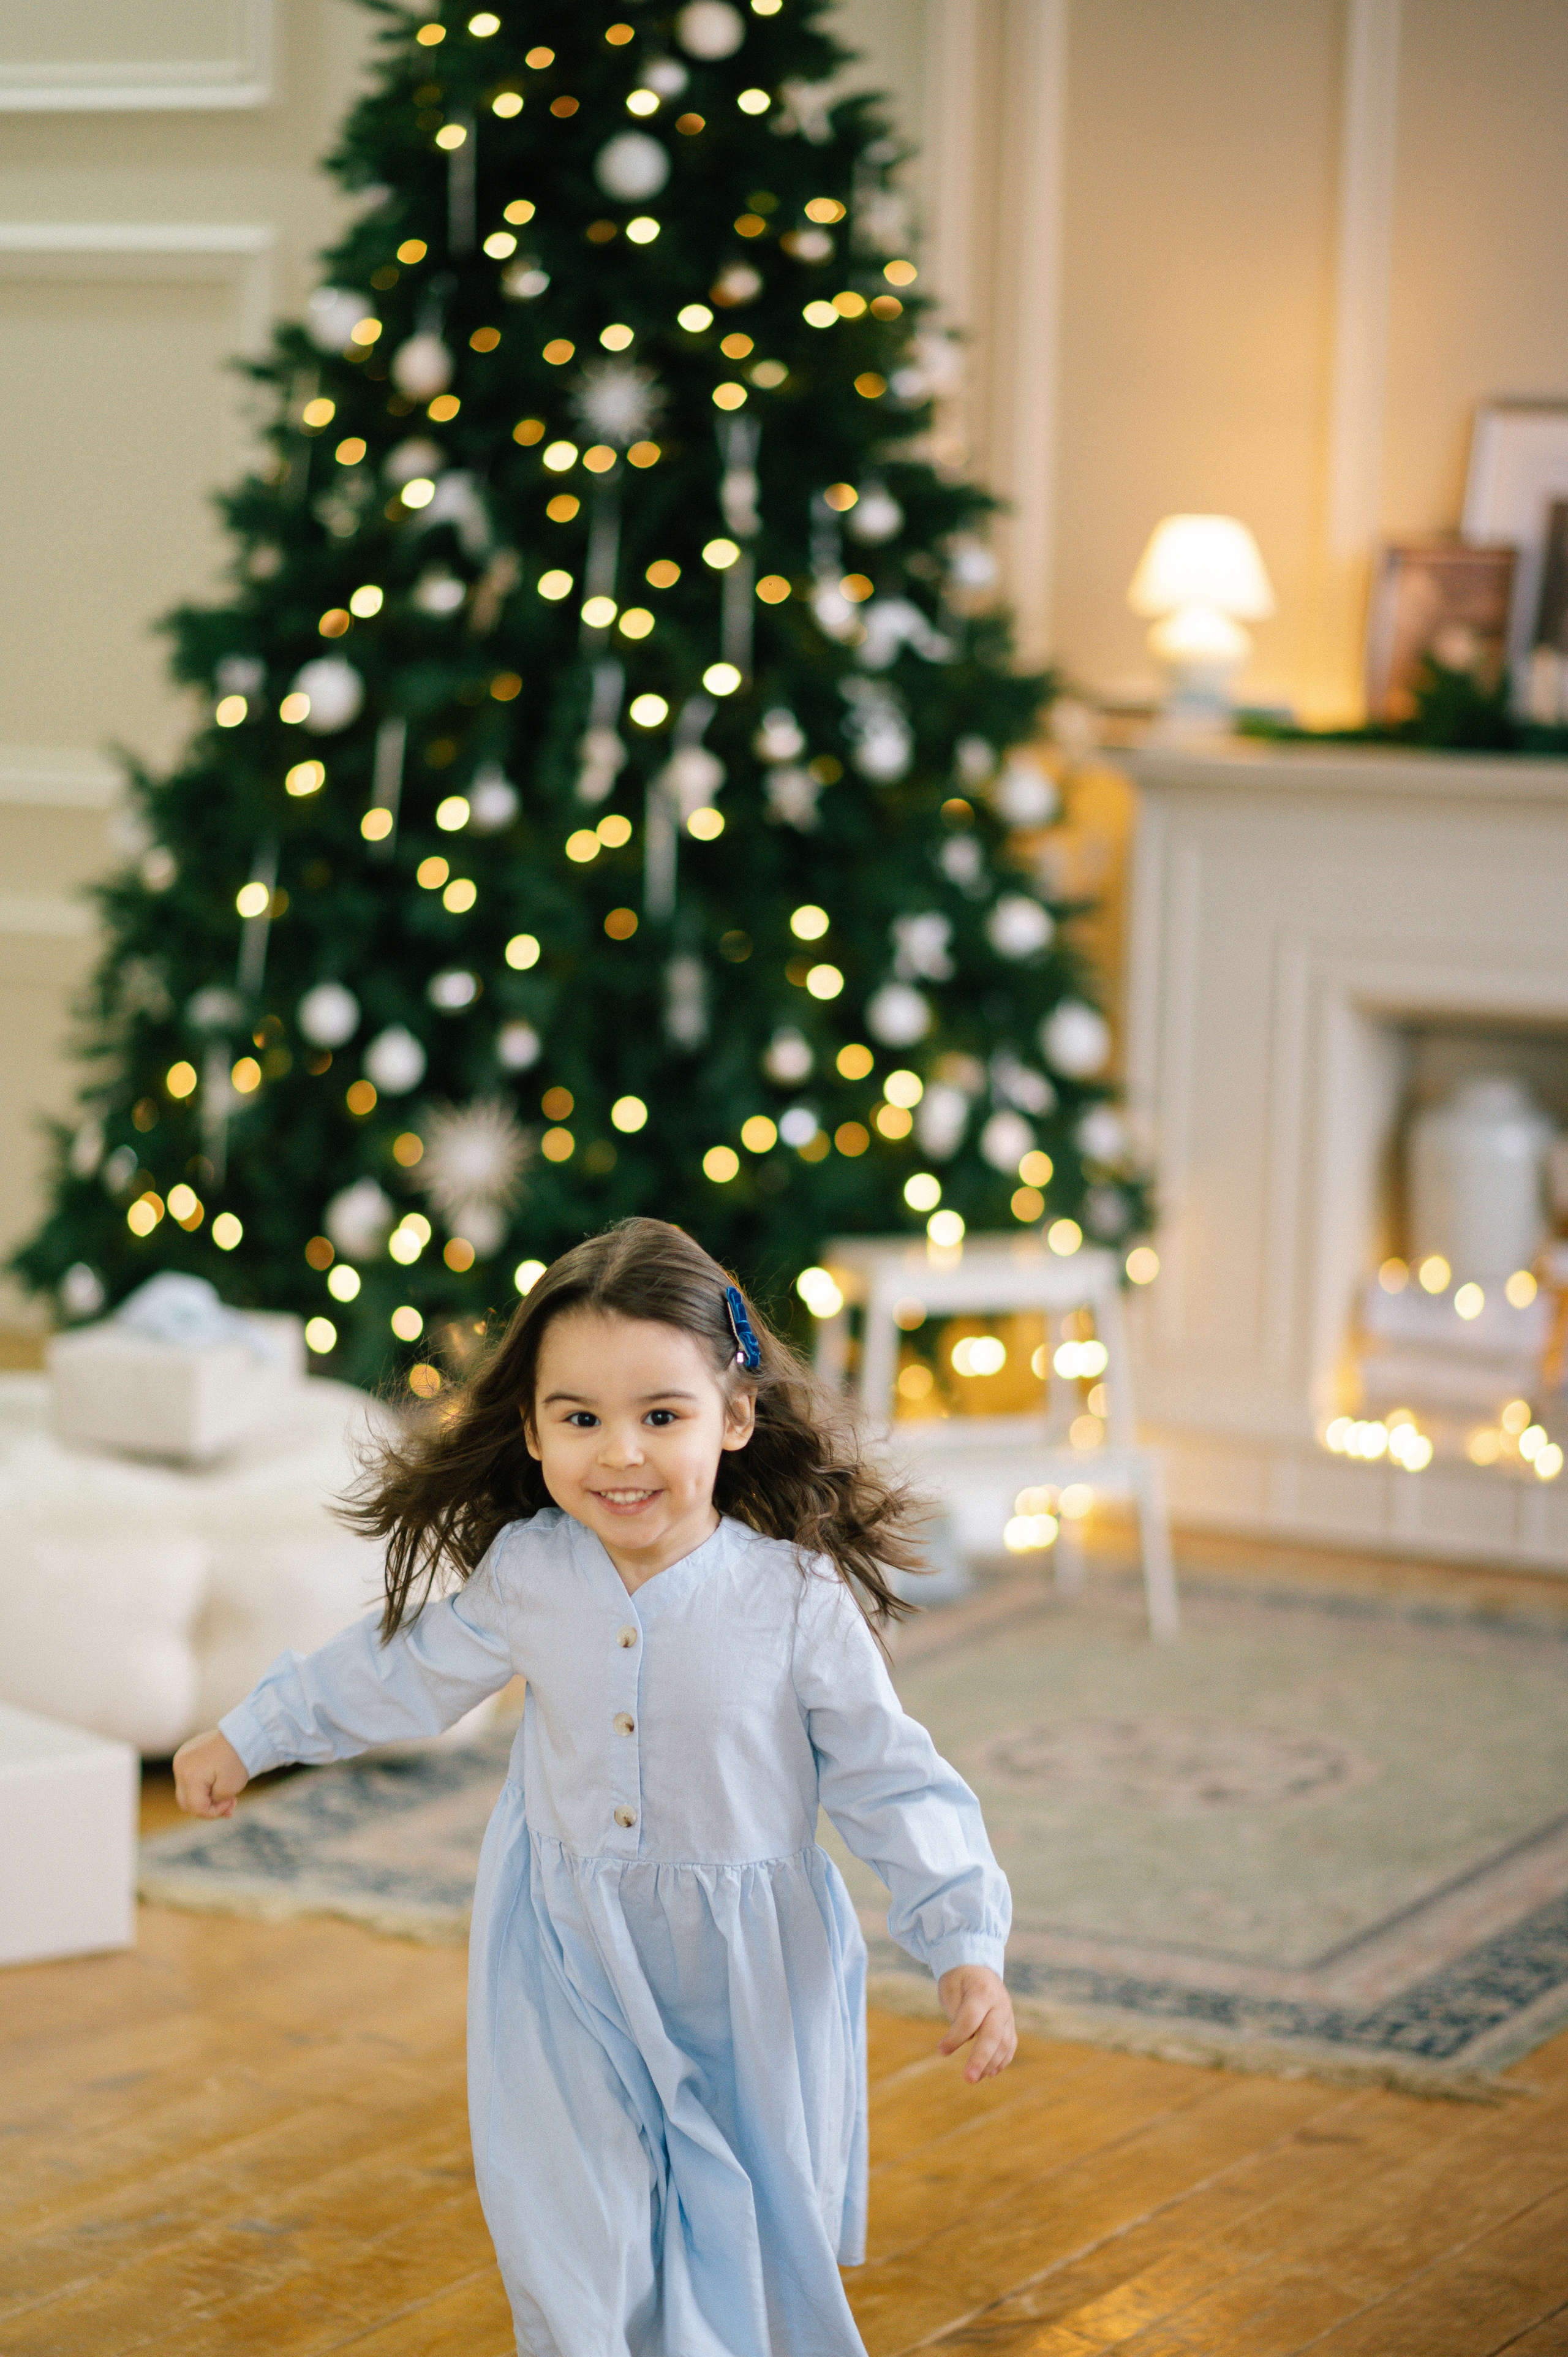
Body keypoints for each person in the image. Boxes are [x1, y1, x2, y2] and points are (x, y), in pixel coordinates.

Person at [175, 1216, 1014, 2356]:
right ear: (530, 1428)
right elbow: (405, 1672)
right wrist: (256, 1729)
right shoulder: (532, 1571)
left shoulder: (796, 1602)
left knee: (748, 2244)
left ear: (735, 1415)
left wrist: (960, 1935)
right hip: (563, 1949)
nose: (619, 1454)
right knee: (569, 2228)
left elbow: (890, 1778)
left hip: (746, 1976)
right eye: (580, 1419)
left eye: (660, 1416)